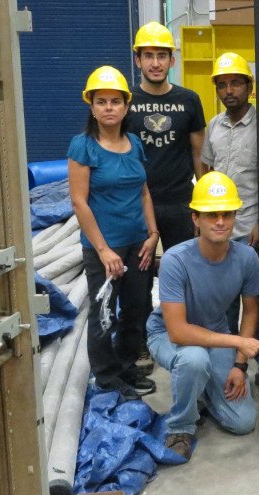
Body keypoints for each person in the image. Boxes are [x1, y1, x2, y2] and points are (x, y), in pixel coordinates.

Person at [145, 171, 259, 461]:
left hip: (213, 333)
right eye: (211, 215)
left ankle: (201, 388)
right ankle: (181, 427)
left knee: (243, 422)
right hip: (167, 335)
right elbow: (178, 332)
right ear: (196, 219)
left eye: (226, 214)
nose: (220, 221)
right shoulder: (175, 259)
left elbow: (251, 310)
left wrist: (239, 365)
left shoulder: (247, 258)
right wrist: (236, 342)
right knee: (193, 359)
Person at [68, 66, 159, 400]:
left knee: (137, 308)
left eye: (115, 101)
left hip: (139, 243)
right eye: (101, 101)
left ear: (126, 106)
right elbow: (80, 203)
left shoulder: (134, 143)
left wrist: (152, 233)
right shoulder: (83, 146)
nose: (109, 107)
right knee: (104, 312)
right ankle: (106, 376)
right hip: (103, 247)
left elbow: (144, 191)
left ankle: (126, 366)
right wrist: (105, 251)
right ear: (91, 106)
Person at [125, 21, 207, 252]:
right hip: (138, 202)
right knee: (140, 275)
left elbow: (199, 155)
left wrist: (202, 204)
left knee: (183, 272)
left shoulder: (189, 99)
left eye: (162, 56)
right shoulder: (126, 100)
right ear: (138, 60)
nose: (155, 63)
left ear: (172, 60)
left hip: (180, 203)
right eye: (148, 56)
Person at [202, 52, 258, 336]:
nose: (229, 90)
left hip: (250, 227)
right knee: (223, 298)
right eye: (222, 85)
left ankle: (257, 354)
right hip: (220, 226)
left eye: (235, 83)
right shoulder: (214, 126)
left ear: (249, 86)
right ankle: (226, 354)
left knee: (253, 296)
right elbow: (206, 167)